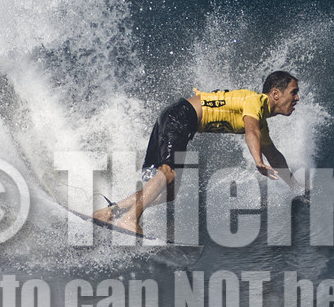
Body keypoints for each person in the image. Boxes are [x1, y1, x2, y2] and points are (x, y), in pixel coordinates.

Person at [93, 70, 302, 235]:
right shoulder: (255, 101)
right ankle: (130, 220)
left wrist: (294, 186)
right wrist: (257, 161)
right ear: (275, 93)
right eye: (293, 92)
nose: (297, 97)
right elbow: (251, 132)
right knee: (168, 173)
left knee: (170, 192)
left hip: (180, 120)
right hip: (181, 116)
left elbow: (273, 155)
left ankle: (110, 211)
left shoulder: (260, 119)